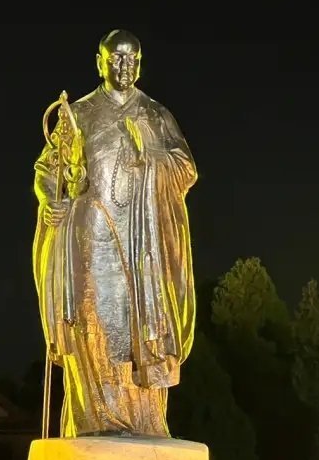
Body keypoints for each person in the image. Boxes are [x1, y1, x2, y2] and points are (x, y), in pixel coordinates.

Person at [32, 29, 197, 437]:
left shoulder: (155, 114)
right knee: (93, 325)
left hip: (142, 243)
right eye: (116, 58)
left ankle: (143, 422)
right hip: (91, 237)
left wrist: (151, 155)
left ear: (140, 64)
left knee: (139, 328)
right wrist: (50, 199)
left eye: (132, 59)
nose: (124, 66)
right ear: (100, 62)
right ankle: (94, 422)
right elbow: (49, 169)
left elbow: (186, 168)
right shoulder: (80, 113)